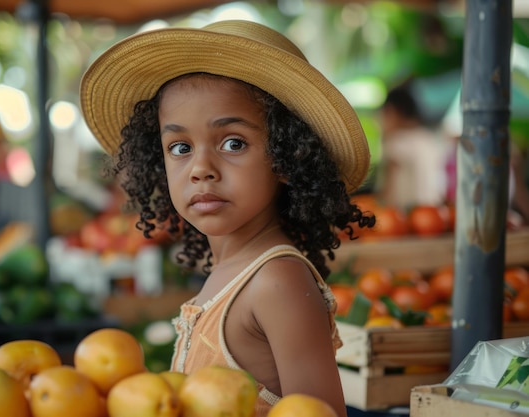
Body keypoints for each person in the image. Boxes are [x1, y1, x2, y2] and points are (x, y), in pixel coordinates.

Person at [80, 20, 375, 417]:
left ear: (288, 158)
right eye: (180, 147)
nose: (201, 167)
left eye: (233, 143)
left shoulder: (276, 281)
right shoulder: (230, 273)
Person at [375, 84, 447, 211]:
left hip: (403, 218)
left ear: (391, 112)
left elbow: (389, 193)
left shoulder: (395, 143)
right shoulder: (429, 139)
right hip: (434, 214)